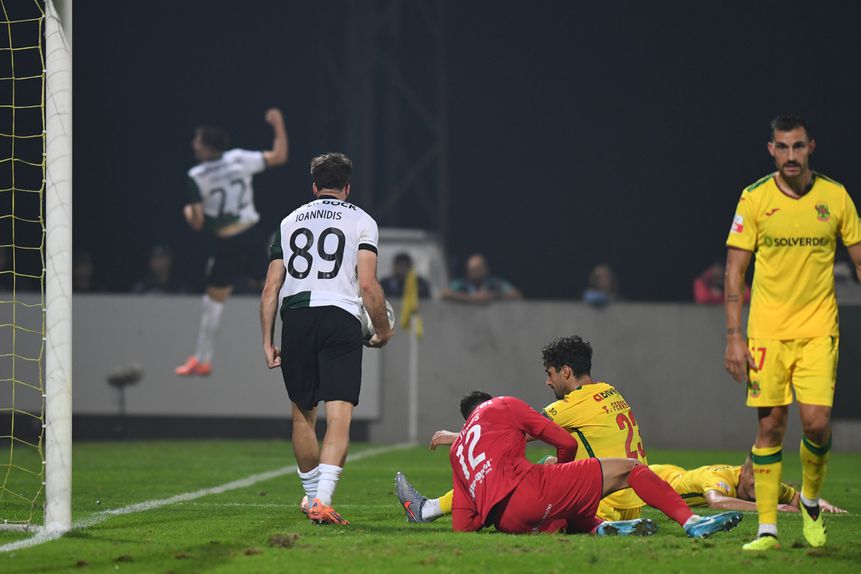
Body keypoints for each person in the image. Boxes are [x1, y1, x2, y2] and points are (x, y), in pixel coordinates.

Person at [724, 115, 861, 551]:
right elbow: (735, 271)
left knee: (817, 425)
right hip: (766, 334)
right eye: (781, 147)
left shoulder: (835, 197)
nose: (790, 156)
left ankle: (811, 501)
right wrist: (733, 336)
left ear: (811, 148)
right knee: (771, 428)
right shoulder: (755, 198)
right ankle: (767, 530)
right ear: (771, 150)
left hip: (819, 329)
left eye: (797, 147)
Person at [260, 152, 394, 525]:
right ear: (347, 188)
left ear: (314, 185)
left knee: (303, 418)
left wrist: (268, 341)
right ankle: (322, 499)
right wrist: (383, 330)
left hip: (297, 317)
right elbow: (367, 284)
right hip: (340, 316)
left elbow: (271, 288)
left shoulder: (288, 222)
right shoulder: (362, 220)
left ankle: (312, 497)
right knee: (339, 419)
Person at [396, 335, 647, 523]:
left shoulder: (572, 405)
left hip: (601, 503)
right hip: (631, 498)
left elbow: (507, 436)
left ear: (566, 372)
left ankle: (427, 509)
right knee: (548, 463)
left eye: (550, 374)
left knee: (505, 476)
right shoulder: (609, 391)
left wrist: (458, 437)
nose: (548, 381)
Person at [446, 391, 742, 537]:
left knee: (565, 502)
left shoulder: (457, 448)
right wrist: (557, 474)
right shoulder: (503, 404)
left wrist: (496, 510)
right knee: (631, 468)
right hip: (535, 494)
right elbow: (567, 443)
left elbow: (464, 525)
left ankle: (603, 528)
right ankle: (692, 522)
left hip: (509, 522)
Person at [175, 109, 289, 376]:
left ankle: (202, 359)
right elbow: (279, 156)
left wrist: (187, 212)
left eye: (196, 140)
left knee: (213, 301)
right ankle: (301, 342)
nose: (194, 144)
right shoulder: (239, 158)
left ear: (204, 147)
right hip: (252, 235)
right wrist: (279, 125)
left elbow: (198, 223)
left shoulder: (196, 175)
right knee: (275, 290)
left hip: (227, 243)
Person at [649, 459, 845, 513]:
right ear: (744, 471)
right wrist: (771, 508)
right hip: (656, 478)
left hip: (678, 472)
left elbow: (799, 498)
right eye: (755, 476)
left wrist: (823, 505)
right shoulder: (719, 479)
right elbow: (716, 502)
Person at [442, 253, 522, 303]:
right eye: (471, 269)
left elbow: (516, 294)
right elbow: (445, 294)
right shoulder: (461, 284)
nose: (473, 272)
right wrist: (471, 298)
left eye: (477, 269)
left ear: (485, 269)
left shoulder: (495, 283)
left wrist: (491, 296)